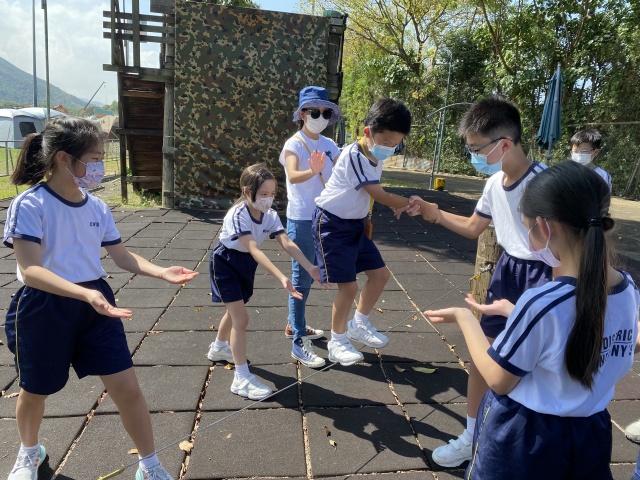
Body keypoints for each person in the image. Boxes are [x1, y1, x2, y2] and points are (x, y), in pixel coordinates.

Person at [3, 117, 198, 480]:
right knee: (35, 390)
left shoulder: (96, 207)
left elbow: (121, 256)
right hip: (44, 306)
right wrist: (84, 293)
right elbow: (30, 271)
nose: (100, 166)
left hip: (96, 304)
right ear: (64, 158)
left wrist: (161, 272)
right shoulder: (31, 204)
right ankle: (30, 452)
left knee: (127, 388)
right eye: (94, 158)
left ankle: (150, 465)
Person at [424, 160, 640, 479]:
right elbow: (591, 333)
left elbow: (498, 379)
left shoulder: (542, 302)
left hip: (526, 439)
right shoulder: (628, 290)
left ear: (545, 226)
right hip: (591, 433)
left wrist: (465, 319)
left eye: (528, 228)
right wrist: (515, 313)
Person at [406, 96, 553, 467]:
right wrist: (435, 212)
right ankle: (472, 435)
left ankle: (524, 447)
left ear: (504, 144)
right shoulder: (494, 184)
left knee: (533, 368)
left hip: (543, 276)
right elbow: (474, 227)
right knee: (484, 358)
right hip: (507, 272)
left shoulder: (546, 184)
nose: (473, 155)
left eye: (476, 149)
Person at [312, 97, 425, 366]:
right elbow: (378, 193)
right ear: (368, 132)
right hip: (332, 225)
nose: (390, 148)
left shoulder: (374, 154)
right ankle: (337, 342)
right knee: (348, 287)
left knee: (380, 275)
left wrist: (395, 203)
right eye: (386, 141)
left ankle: (358, 324)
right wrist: (411, 204)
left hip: (355, 224)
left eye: (395, 144)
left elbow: (374, 192)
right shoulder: (355, 155)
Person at [206, 163, 327, 399]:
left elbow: (286, 242)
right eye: (263, 194)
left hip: (244, 262)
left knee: (235, 310)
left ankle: (219, 347)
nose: (268, 199)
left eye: (272, 194)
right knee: (241, 318)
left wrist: (310, 267)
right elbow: (254, 249)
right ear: (247, 191)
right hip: (225, 263)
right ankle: (241, 378)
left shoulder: (269, 215)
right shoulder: (238, 214)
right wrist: (281, 277)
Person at [279, 86, 341, 368]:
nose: (320, 117)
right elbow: (292, 175)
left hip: (323, 217)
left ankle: (295, 324)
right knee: (302, 277)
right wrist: (313, 170)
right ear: (303, 113)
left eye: (326, 113)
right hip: (302, 218)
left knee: (313, 272)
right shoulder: (294, 144)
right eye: (315, 112)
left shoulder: (329, 144)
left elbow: (342, 169)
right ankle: (298, 342)